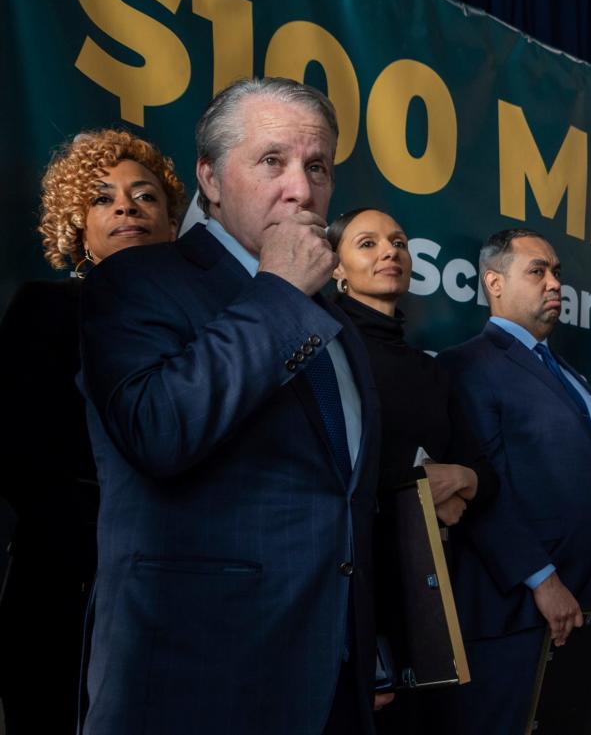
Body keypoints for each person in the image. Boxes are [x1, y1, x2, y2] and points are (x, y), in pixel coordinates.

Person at [77, 77, 385, 734]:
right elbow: (159, 430)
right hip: (194, 680)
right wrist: (277, 290)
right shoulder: (136, 281)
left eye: (318, 166)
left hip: (329, 682)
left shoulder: (338, 325)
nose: (300, 188)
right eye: (272, 160)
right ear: (210, 178)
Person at [0, 129, 182, 734]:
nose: (126, 206)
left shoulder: (214, 328)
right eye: (103, 198)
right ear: (77, 227)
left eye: (144, 196)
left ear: (174, 222)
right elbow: (18, 448)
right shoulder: (43, 308)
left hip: (185, 582)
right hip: (62, 578)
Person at [436, 228, 591, 735]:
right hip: (519, 614)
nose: (554, 283)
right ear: (494, 282)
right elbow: (482, 490)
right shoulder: (466, 365)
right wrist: (541, 580)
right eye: (537, 271)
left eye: (556, 273)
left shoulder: (565, 372)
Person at [325, 207, 498, 733]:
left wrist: (460, 479)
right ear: (336, 267)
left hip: (423, 600)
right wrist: (417, 486)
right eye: (368, 243)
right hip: (350, 596)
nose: (389, 253)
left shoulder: (429, 368)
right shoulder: (325, 351)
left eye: (397, 241)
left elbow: (484, 476)